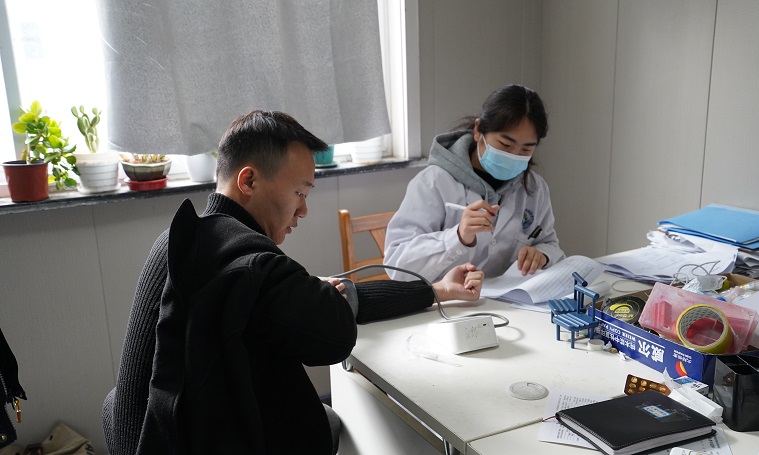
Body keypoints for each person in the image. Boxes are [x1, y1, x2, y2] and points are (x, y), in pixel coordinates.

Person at [106, 110, 484, 455]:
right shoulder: (251, 261)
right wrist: (319, 295)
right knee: (333, 420)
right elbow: (336, 334)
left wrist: (436, 290)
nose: (303, 210)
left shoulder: (184, 240)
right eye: (300, 193)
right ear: (248, 180)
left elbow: (333, 300)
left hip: (149, 437)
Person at [384, 84, 565, 283]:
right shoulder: (434, 182)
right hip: (446, 299)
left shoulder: (534, 187)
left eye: (526, 150)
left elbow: (549, 244)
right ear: (478, 130)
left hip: (509, 298)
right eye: (505, 144)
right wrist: (458, 237)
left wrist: (542, 255)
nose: (513, 155)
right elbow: (396, 264)